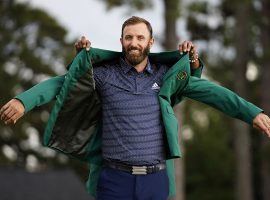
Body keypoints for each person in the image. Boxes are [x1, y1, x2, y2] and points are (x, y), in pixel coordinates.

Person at [0, 16, 270, 200]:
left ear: (150, 42)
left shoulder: (165, 76)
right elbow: (60, 85)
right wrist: (23, 101)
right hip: (113, 179)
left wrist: (252, 113)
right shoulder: (104, 75)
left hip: (156, 179)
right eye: (128, 37)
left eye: (140, 37)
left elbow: (213, 92)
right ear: (121, 41)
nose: (134, 43)